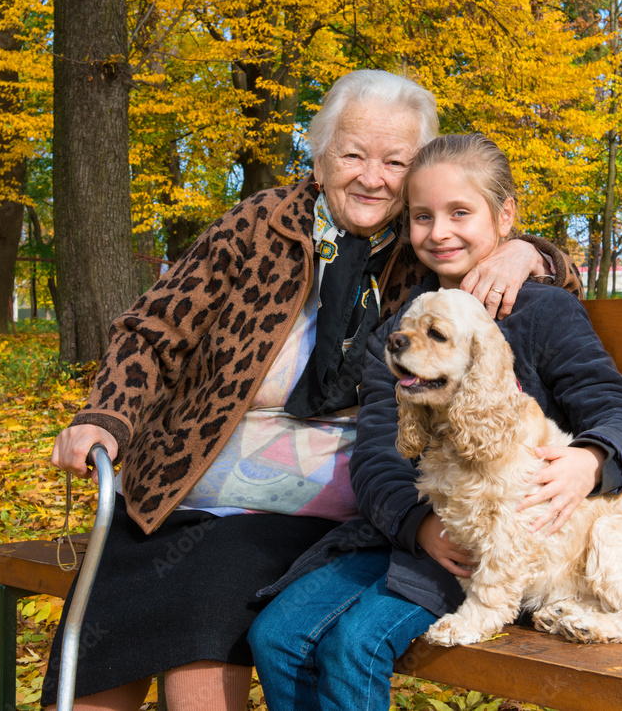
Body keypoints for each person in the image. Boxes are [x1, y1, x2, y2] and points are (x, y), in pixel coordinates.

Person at [42, 75, 581, 711]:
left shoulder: (420, 253)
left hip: (325, 503)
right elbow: (153, 327)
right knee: (124, 596)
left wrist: (528, 253)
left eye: (396, 162)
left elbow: (496, 242)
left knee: (205, 592)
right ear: (319, 158)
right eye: (353, 155)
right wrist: (105, 415)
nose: (373, 178)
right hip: (186, 479)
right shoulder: (260, 224)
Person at [248, 133, 622, 711]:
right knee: (277, 636)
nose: (439, 232)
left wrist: (590, 462)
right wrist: (418, 526)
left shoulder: (542, 312)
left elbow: (619, 414)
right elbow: (378, 459)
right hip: (417, 534)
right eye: (421, 216)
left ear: (505, 215)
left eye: (459, 213)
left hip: (504, 547)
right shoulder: (401, 328)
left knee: (355, 645)